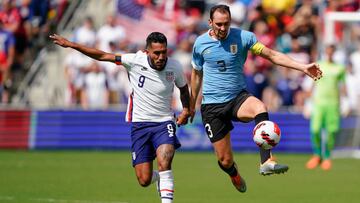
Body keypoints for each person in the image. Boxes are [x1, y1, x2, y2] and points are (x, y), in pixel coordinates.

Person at [189, 4, 322, 193]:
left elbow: (271, 55)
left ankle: (266, 161)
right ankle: (234, 174)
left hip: (237, 98)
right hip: (212, 106)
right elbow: (196, 75)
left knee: (260, 107)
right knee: (225, 160)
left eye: (226, 23)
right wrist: (190, 106)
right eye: (218, 24)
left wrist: (302, 67)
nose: (222, 28)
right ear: (210, 22)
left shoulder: (244, 37)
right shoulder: (200, 44)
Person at [50, 32, 191, 203]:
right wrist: (72, 45)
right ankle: (160, 179)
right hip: (140, 125)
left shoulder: (174, 66)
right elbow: (102, 55)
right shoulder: (133, 61)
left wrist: (186, 109)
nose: (161, 57)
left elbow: (183, 89)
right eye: (157, 53)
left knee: (165, 159)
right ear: (147, 52)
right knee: (144, 180)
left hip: (164, 122)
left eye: (164, 52)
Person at [305, 44, 347, 171]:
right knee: (315, 130)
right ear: (325, 51)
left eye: (332, 50)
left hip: (333, 103)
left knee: (331, 132)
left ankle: (327, 156)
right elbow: (312, 84)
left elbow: (343, 86)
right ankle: (317, 155)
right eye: (328, 50)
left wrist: (346, 102)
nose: (329, 52)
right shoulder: (319, 65)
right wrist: (307, 103)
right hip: (318, 103)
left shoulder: (339, 68)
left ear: (334, 52)